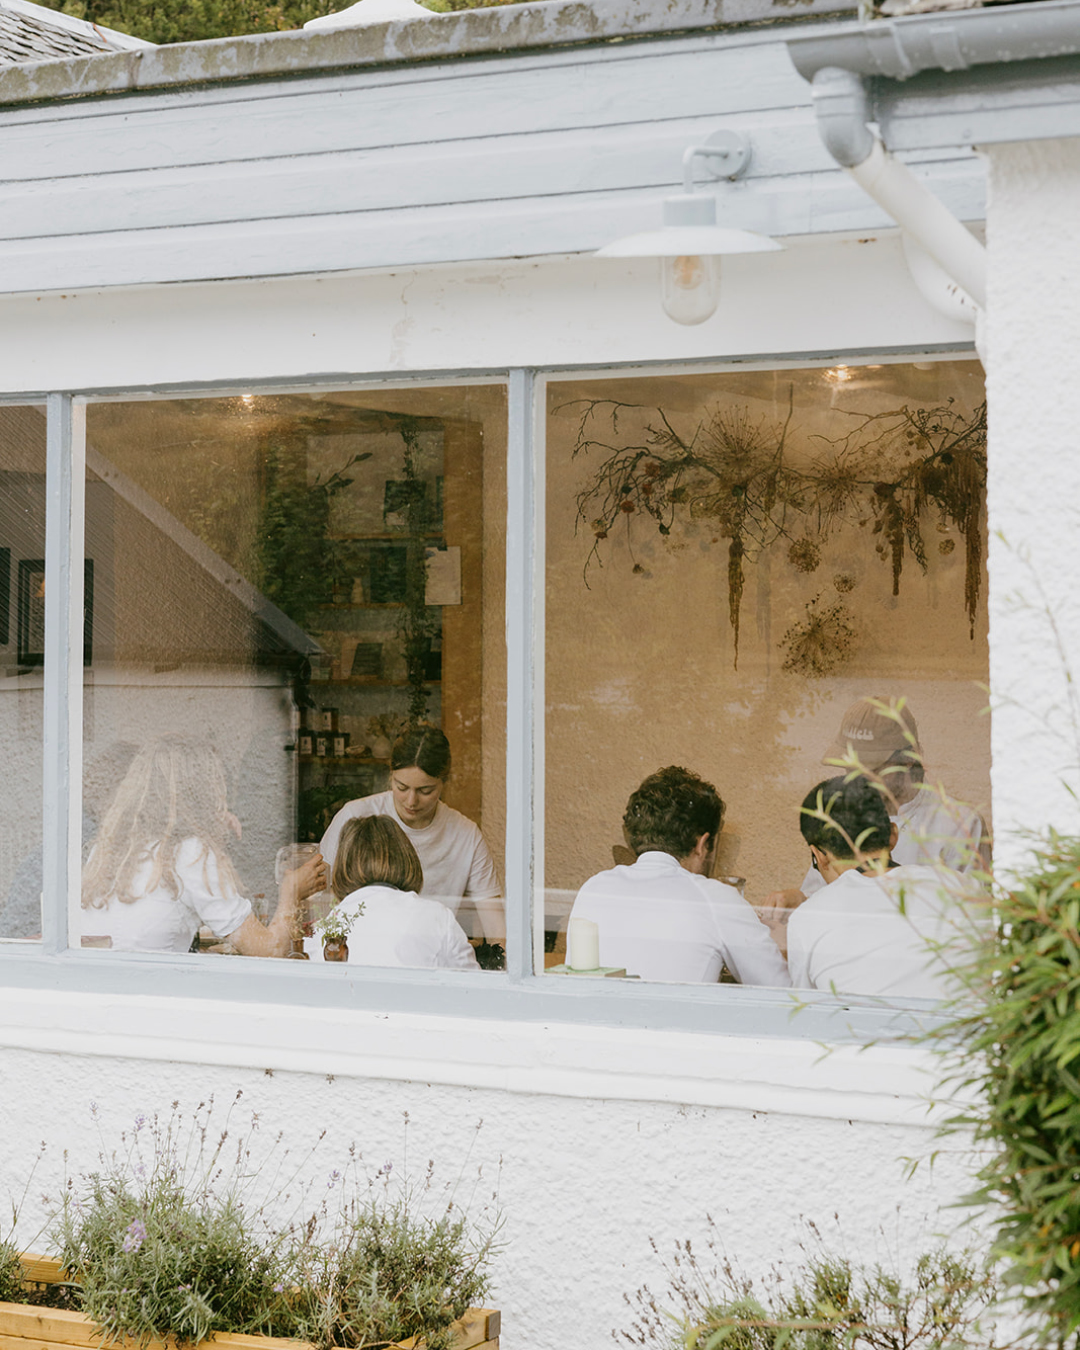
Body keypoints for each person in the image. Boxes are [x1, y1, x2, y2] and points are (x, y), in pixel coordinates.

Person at [81, 736, 325, 955]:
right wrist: (291, 891)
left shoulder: (111, 848)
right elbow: (270, 952)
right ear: (202, 793)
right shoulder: (189, 853)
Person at [764, 697, 990, 922]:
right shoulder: (843, 815)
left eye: (871, 768)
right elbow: (827, 896)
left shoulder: (959, 824)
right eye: (850, 768)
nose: (857, 779)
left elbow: (972, 919)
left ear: (910, 758)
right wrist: (802, 899)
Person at [568, 766, 791, 986]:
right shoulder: (717, 899)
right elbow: (781, 993)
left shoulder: (594, 886)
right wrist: (784, 945)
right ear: (702, 844)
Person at [786, 774, 978, 998]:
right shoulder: (965, 887)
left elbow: (803, 1008)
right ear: (893, 836)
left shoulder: (808, 918)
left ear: (819, 856)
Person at [319, 725, 503, 942]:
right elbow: (321, 898)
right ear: (390, 775)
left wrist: (500, 965)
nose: (411, 801)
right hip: (358, 953)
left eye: (426, 791)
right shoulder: (356, 815)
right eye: (402, 787)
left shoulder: (466, 834)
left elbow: (496, 927)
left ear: (445, 782)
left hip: (431, 956)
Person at [309, 814, 479, 970]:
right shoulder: (437, 916)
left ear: (344, 867)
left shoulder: (326, 930)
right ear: (406, 859)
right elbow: (473, 989)